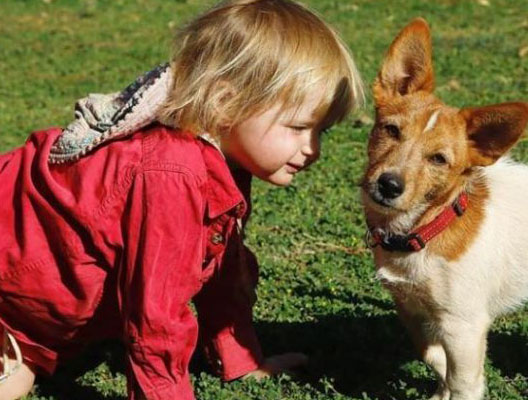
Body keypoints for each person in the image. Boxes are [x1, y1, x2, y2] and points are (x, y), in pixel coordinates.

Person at [0, 0, 363, 399]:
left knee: (22, 373)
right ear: (226, 103)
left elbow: (222, 268)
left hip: (36, 322)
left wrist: (238, 359)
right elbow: (156, 315)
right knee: (14, 383)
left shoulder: (223, 156)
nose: (312, 149)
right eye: (298, 127)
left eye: (321, 132)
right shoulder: (174, 174)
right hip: (11, 304)